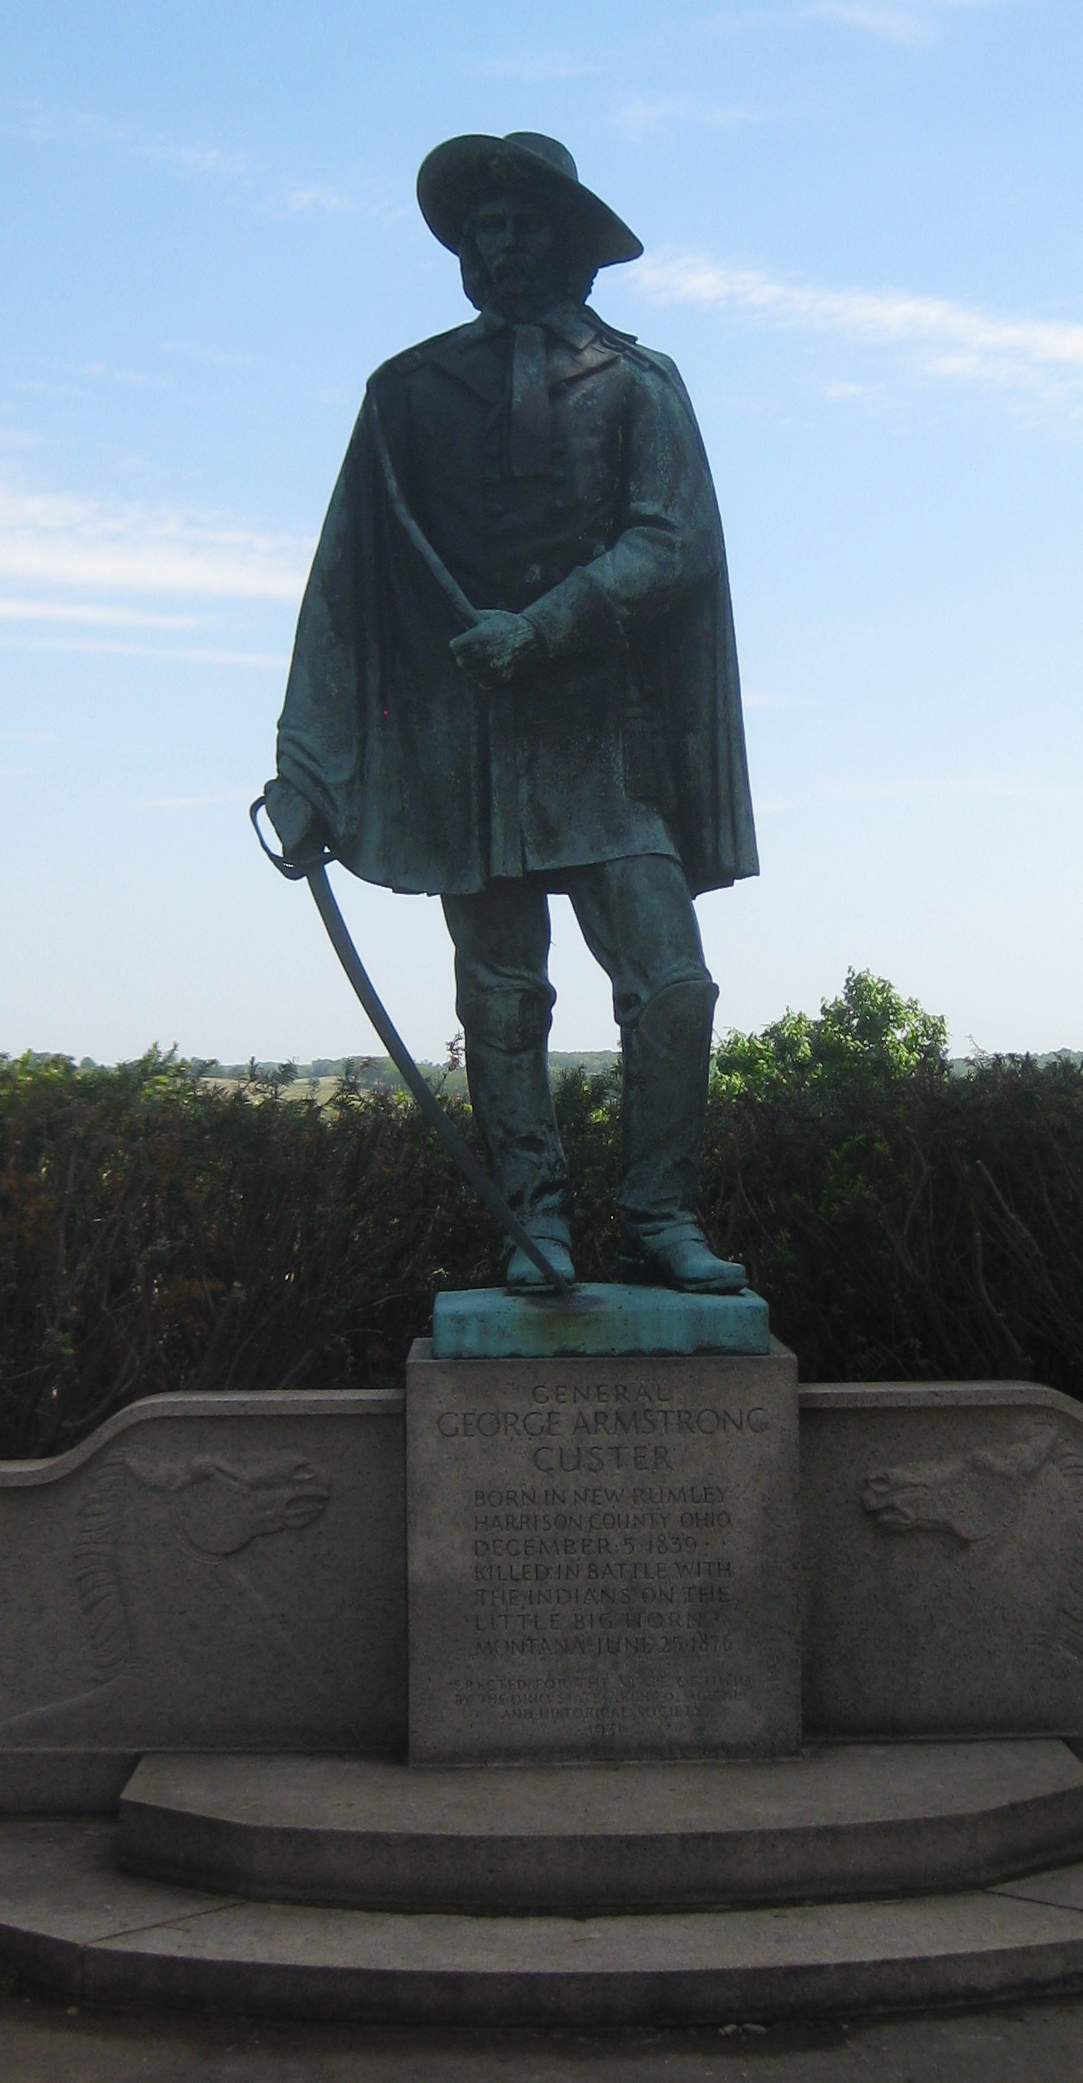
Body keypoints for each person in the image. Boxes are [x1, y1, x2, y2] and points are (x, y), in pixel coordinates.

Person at [262, 130, 758, 1292]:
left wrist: (544, 625)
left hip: (607, 743)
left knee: (672, 983)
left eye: (526, 226)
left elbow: (673, 541)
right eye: (486, 230)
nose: (502, 247)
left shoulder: (637, 383)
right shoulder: (407, 393)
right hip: (465, 752)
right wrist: (307, 767)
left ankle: (658, 1216)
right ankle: (535, 1223)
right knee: (499, 995)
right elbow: (342, 586)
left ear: (574, 246)